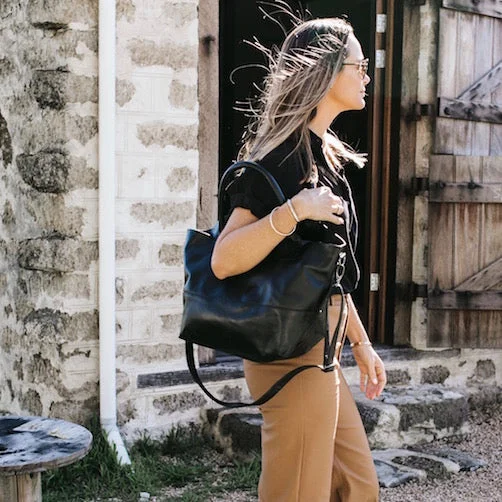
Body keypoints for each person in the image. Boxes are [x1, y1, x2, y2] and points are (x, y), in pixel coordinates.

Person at [211, 17, 387, 502]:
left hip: (320, 346)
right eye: (360, 65)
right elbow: (224, 260)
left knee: (356, 487)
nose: (368, 76)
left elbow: (326, 273)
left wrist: (361, 345)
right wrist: (294, 211)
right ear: (327, 73)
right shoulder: (282, 157)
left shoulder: (322, 155)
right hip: (289, 354)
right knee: (298, 493)